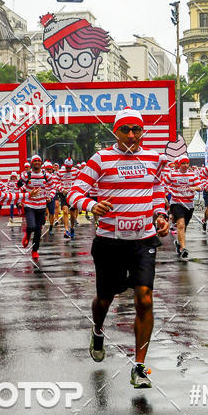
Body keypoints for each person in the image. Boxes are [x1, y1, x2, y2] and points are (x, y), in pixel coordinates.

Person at [68, 108, 169, 388]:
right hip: (109, 242)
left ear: (143, 131)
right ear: (115, 131)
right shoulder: (101, 159)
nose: (132, 135)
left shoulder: (153, 158)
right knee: (105, 298)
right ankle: (98, 330)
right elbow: (75, 190)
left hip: (143, 240)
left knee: (145, 299)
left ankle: (139, 367)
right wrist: (91, 205)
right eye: (125, 129)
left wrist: (161, 214)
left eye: (137, 129)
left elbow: (157, 188)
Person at [17, 155, 55, 259]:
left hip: (42, 206)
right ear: (32, 163)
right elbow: (19, 186)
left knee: (38, 231)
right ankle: (28, 234)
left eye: (39, 161)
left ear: (41, 163)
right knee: (31, 226)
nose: (37, 162)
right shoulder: (27, 175)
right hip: (30, 205)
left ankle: (34, 251)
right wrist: (23, 193)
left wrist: (50, 196)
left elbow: (53, 187)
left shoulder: (46, 175)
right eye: (35, 161)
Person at [165, 155, 201, 259]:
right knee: (180, 224)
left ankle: (179, 243)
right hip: (176, 203)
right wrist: (165, 196)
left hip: (189, 205)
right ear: (179, 165)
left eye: (186, 163)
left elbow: (201, 187)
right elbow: (163, 184)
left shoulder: (193, 175)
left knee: (184, 227)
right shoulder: (172, 174)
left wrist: (194, 187)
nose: (185, 165)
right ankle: (183, 248)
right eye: (183, 163)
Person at [56, 158, 79, 238]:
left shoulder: (76, 171)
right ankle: (66, 230)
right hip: (64, 194)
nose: (68, 169)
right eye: (67, 167)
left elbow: (81, 180)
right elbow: (56, 183)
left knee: (72, 214)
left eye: (70, 167)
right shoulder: (60, 172)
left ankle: (72, 228)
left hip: (72, 194)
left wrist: (76, 189)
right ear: (64, 166)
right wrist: (62, 190)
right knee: (65, 211)